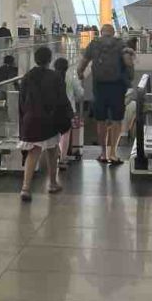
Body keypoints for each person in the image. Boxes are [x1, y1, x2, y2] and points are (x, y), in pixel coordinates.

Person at [18, 45, 72, 201]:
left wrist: (24, 119)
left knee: (33, 151)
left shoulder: (27, 77)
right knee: (52, 150)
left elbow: (22, 101)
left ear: (35, 59)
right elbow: (62, 100)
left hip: (31, 119)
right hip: (49, 120)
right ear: (49, 60)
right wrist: (66, 117)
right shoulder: (55, 77)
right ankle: (53, 183)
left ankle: (26, 188)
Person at [77, 23, 134, 165]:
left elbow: (82, 64)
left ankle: (103, 153)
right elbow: (128, 63)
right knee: (116, 120)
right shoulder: (121, 44)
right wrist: (130, 77)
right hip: (117, 87)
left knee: (100, 120)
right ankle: (113, 153)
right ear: (113, 32)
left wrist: (80, 75)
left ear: (101, 32)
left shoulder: (94, 43)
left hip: (99, 86)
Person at [54, 56, 84, 169]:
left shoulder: (51, 77)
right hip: (67, 110)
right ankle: (62, 158)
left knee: (54, 134)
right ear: (67, 68)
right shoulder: (71, 77)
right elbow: (80, 94)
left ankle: (54, 157)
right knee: (65, 135)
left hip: (52, 110)